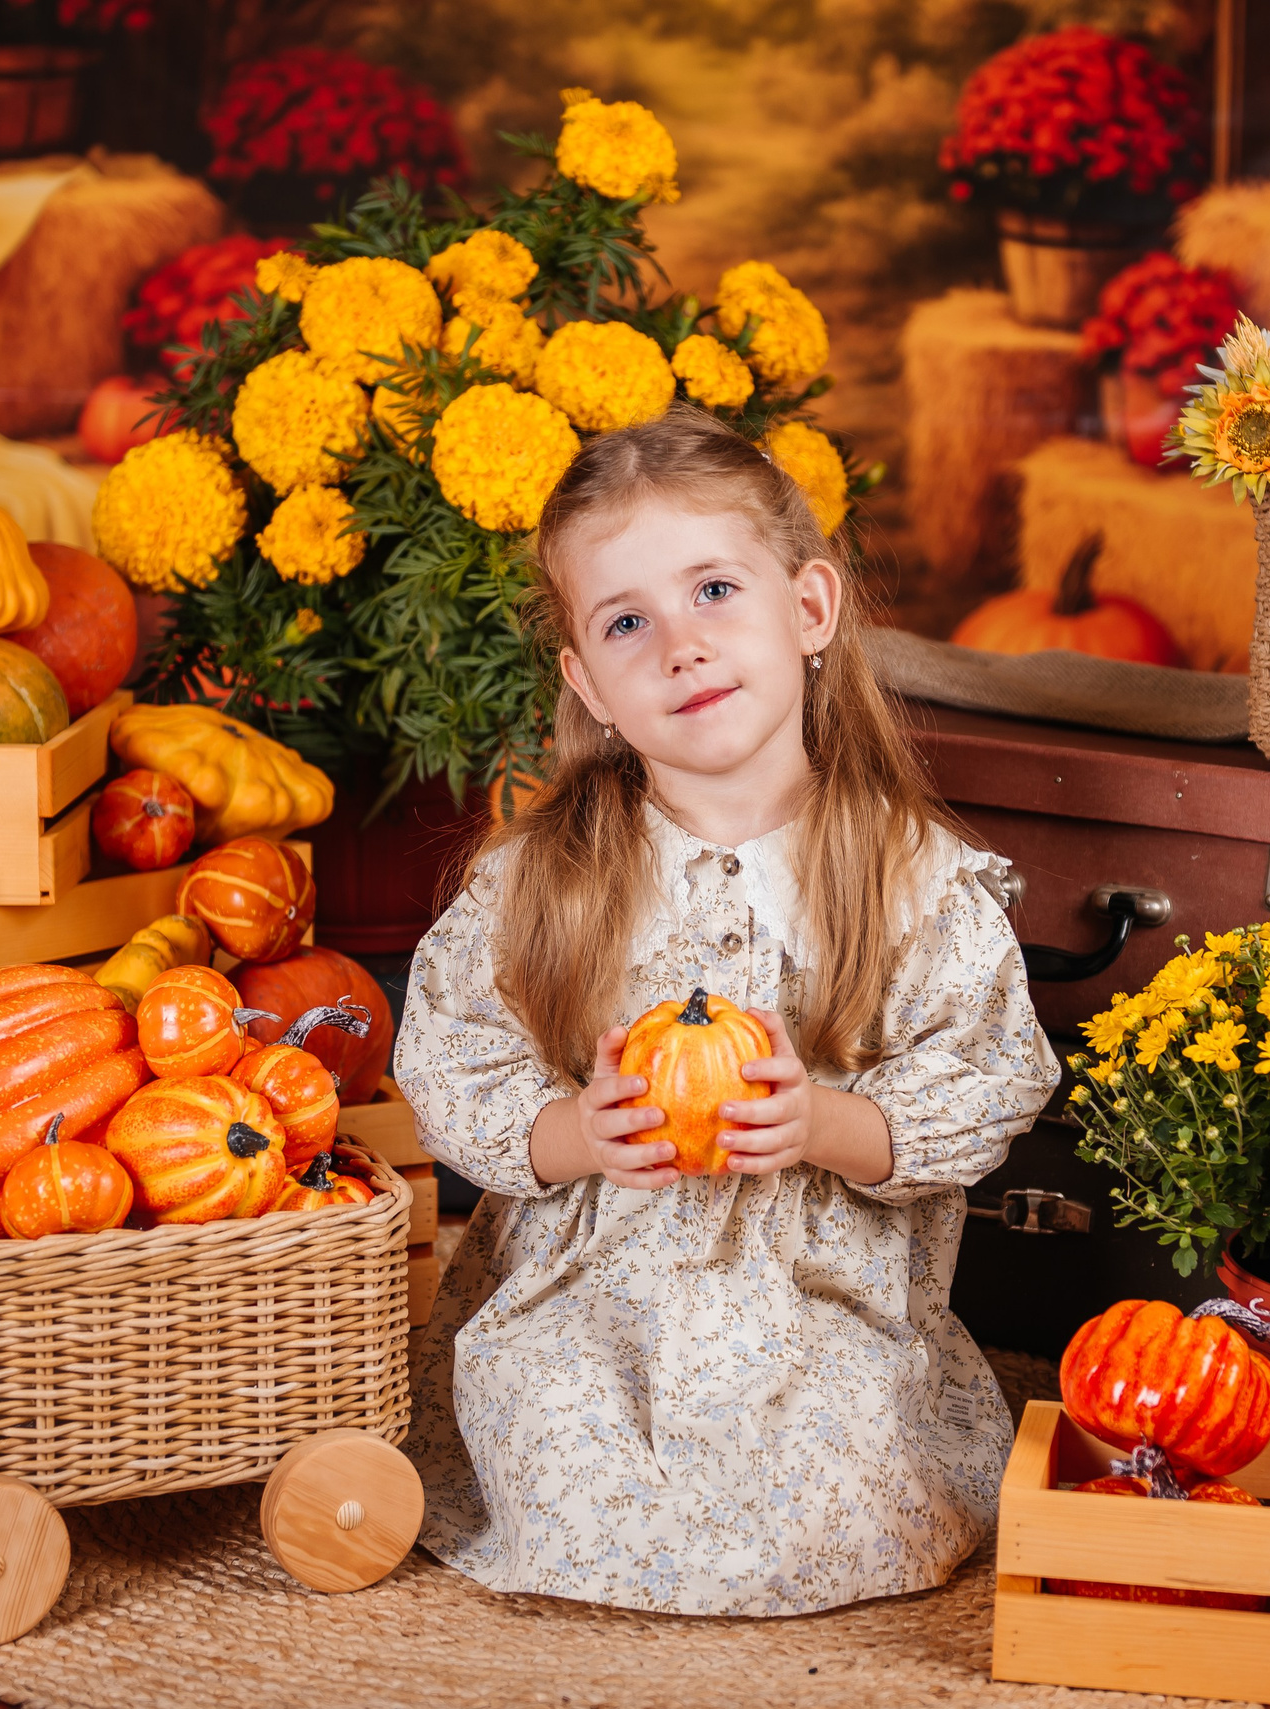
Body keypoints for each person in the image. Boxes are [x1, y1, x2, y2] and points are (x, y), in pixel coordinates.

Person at [393, 404, 1059, 1617]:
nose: (682, 647)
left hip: (815, 1301)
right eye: (627, 622)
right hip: (593, 1296)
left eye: (713, 590)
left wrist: (821, 1122)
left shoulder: (905, 874)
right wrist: (578, 1133)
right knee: (553, 1430)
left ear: (808, 608)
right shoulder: (544, 879)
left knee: (844, 1477)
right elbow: (454, 1058)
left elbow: (983, 1071)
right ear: (587, 682)